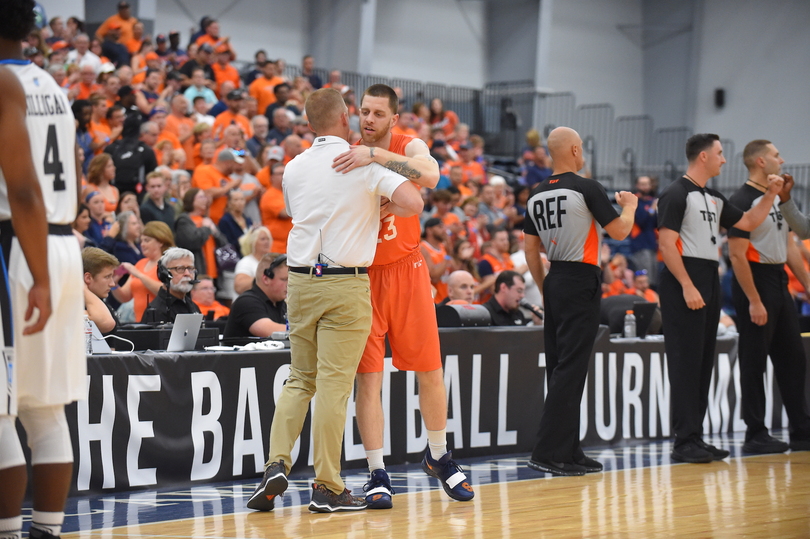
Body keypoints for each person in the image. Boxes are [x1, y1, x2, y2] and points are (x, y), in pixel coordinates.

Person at [246, 88, 422, 514]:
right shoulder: (362, 160)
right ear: (345, 118)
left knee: (299, 378)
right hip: (345, 283)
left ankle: (276, 462)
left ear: (308, 124)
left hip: (301, 281)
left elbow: (297, 211)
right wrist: (381, 192)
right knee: (333, 386)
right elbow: (414, 202)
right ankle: (327, 485)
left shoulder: (292, 166)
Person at [330, 84, 474, 508]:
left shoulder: (402, 144)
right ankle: (376, 471)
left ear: (393, 118)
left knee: (429, 369)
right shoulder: (344, 155)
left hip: (408, 270)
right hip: (363, 277)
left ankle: (439, 455)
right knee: (368, 380)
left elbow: (431, 176)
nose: (368, 119)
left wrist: (374, 156)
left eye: (377, 113)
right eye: (363, 111)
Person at [0, 3, 81, 536]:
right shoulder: (48, 82)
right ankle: (48, 530)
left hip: (18, 249)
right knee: (45, 408)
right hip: (60, 241)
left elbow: (23, 187)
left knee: (2, 412)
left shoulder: (3, 83)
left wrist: (39, 279)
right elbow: (71, 167)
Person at [657, 133, 782, 464]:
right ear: (702, 157)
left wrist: (771, 194)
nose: (724, 159)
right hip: (685, 278)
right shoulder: (675, 193)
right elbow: (667, 245)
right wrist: (686, 284)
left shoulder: (712, 196)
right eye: (719, 153)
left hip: (708, 276)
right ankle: (684, 440)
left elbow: (749, 221)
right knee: (685, 361)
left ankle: (694, 437)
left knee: (702, 361)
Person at [523, 126, 637, 476]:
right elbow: (619, 231)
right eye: (582, 146)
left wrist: (545, 288)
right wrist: (630, 206)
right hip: (580, 278)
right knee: (571, 368)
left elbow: (530, 250)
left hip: (555, 278)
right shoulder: (587, 187)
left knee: (562, 366)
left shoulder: (536, 193)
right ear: (574, 150)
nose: (583, 151)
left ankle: (569, 450)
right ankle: (546, 451)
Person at [727, 139, 810, 454]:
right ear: (761, 161)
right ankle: (755, 433)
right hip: (754, 279)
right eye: (777, 155)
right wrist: (754, 300)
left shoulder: (777, 198)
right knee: (754, 360)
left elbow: (790, 245)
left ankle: (801, 430)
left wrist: (806, 283)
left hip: (778, 279)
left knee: (794, 358)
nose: (782, 159)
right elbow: (736, 256)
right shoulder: (741, 199)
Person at [110, 220, 172, 322]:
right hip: (140, 323)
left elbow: (167, 292)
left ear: (160, 241)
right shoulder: (140, 263)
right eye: (141, 241)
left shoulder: (169, 263)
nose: (142, 244)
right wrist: (114, 283)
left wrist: (139, 275)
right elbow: (125, 297)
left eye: (147, 241)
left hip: (161, 322)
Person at [224, 253, 288, 338]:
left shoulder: (281, 304)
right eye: (284, 279)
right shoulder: (246, 302)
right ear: (265, 279)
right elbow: (269, 331)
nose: (289, 284)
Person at [145, 247, 201, 323]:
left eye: (190, 268)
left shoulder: (192, 306)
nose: (187, 274)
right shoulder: (156, 311)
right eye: (180, 269)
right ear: (164, 274)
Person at [82, 247, 121, 334]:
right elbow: (106, 322)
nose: (112, 284)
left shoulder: (102, 304)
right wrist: (82, 288)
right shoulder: (74, 306)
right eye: (107, 277)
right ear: (88, 278)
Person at [259, 162, 292, 253]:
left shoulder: (288, 193)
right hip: (276, 247)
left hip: (290, 245)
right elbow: (285, 213)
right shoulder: (270, 195)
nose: (284, 176)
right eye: (280, 173)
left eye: (285, 172)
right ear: (272, 177)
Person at [233, 226, 272, 296]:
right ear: (253, 242)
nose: (267, 242)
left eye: (268, 239)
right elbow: (239, 287)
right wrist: (264, 279)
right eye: (263, 239)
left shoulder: (272, 262)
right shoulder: (246, 262)